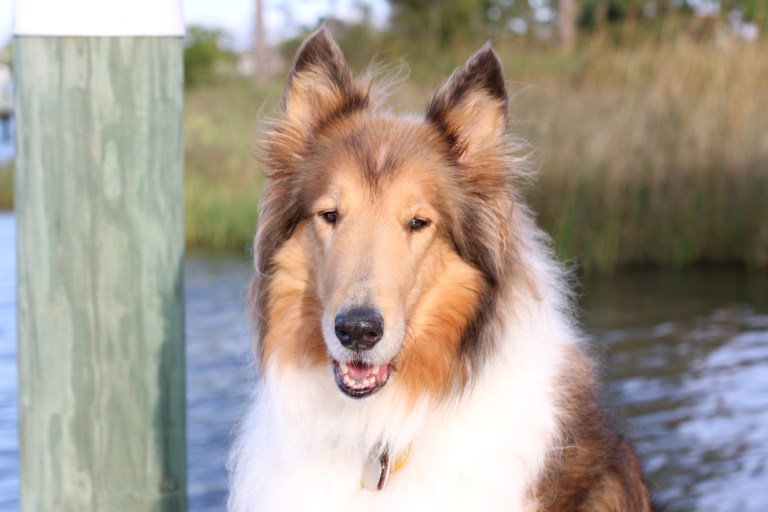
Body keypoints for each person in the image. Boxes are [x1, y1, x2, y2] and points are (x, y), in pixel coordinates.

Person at [0, 63, 13, 142]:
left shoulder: (4, 70)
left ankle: (6, 136)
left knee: (5, 120)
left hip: (5, 103)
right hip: (3, 103)